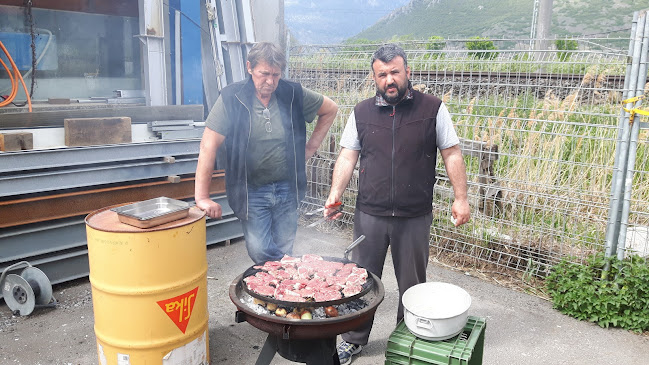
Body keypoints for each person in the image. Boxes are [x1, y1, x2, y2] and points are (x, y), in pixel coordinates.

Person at [323, 43, 470, 365]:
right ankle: (354, 340)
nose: (389, 80)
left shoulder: (432, 108)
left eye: (395, 73)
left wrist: (461, 198)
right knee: (361, 281)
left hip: (414, 214)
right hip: (370, 213)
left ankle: (406, 341)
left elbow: (452, 152)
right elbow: (348, 155)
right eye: (382, 74)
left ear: (407, 73)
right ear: (374, 77)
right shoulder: (361, 112)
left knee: (413, 285)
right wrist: (336, 194)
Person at [195, 42, 338, 264]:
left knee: (284, 246)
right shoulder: (232, 97)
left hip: (287, 187)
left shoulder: (292, 93)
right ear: (249, 67)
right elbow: (208, 146)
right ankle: (289, 274)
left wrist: (310, 147)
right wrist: (202, 197)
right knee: (260, 249)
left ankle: (283, 292)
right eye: (264, 74)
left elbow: (330, 109)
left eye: (276, 75)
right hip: (251, 190)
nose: (270, 81)